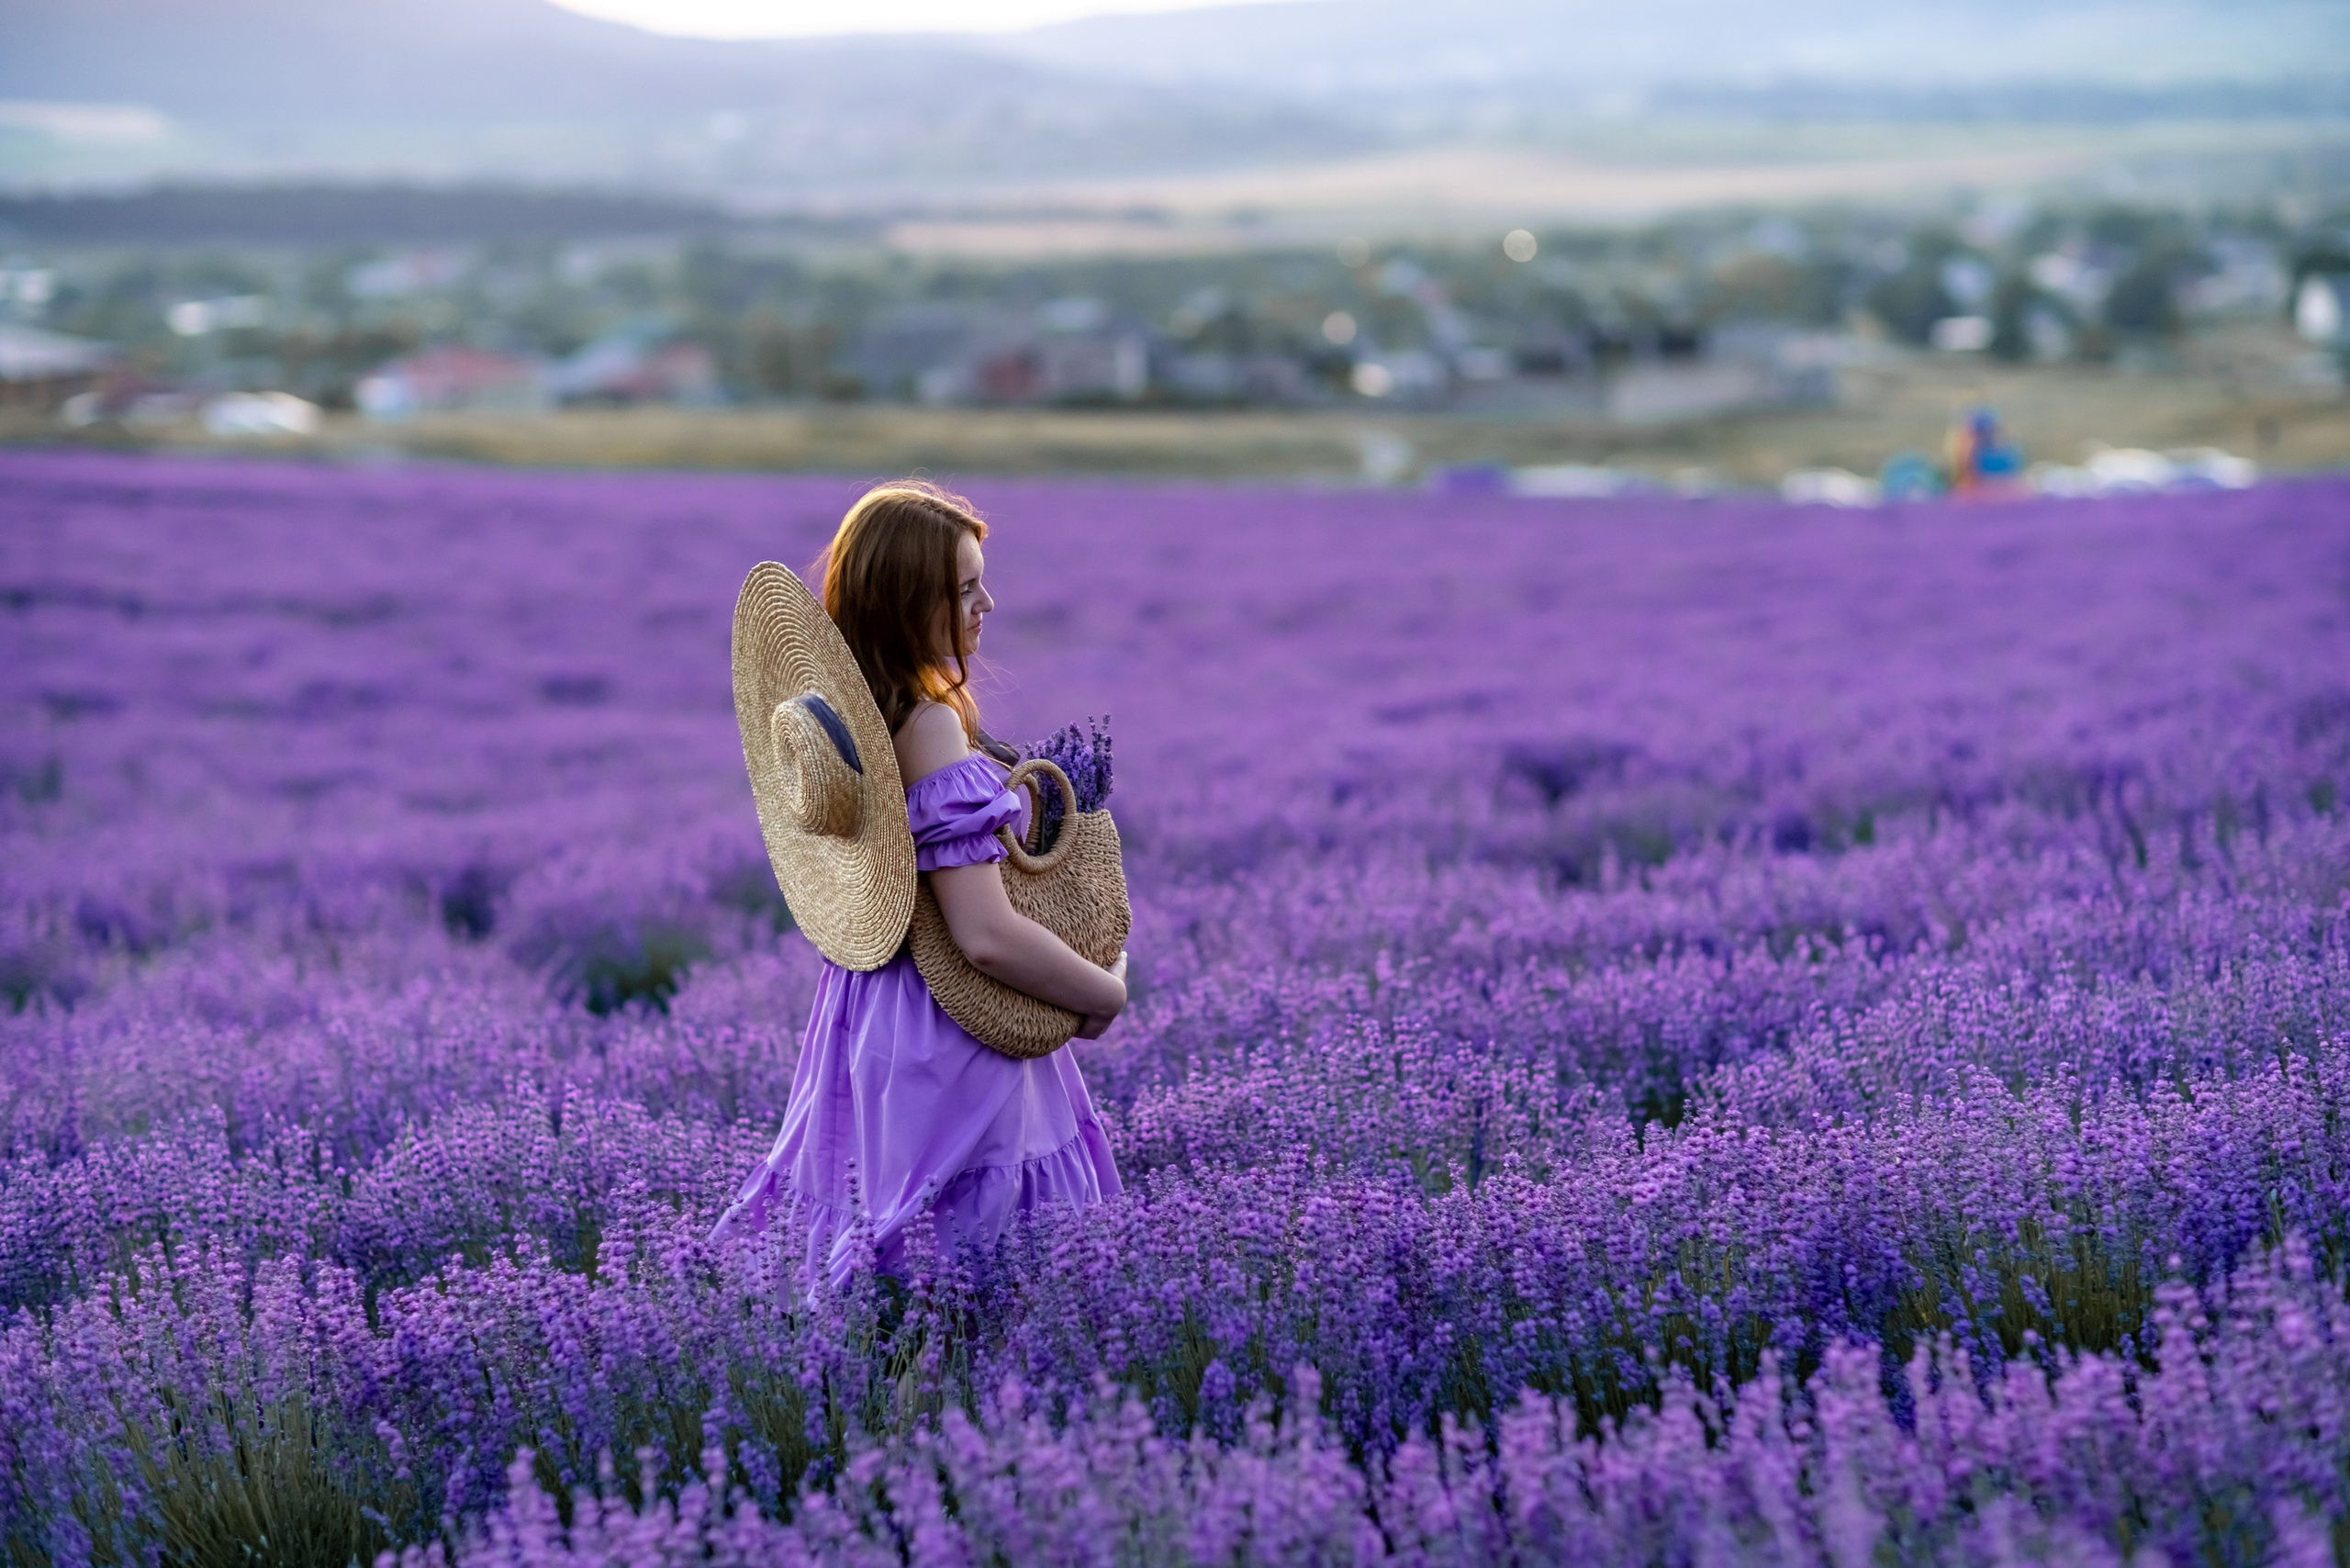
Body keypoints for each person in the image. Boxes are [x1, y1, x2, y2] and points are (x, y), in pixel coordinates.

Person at [713, 482, 1127, 1288]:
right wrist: (1103, 994)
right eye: (965, 589)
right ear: (910, 603)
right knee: (985, 1271)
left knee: (879, 1252)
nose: (987, 605)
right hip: (950, 1030)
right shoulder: (928, 724)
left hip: (868, 1014)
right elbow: (984, 935)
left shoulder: (849, 711)